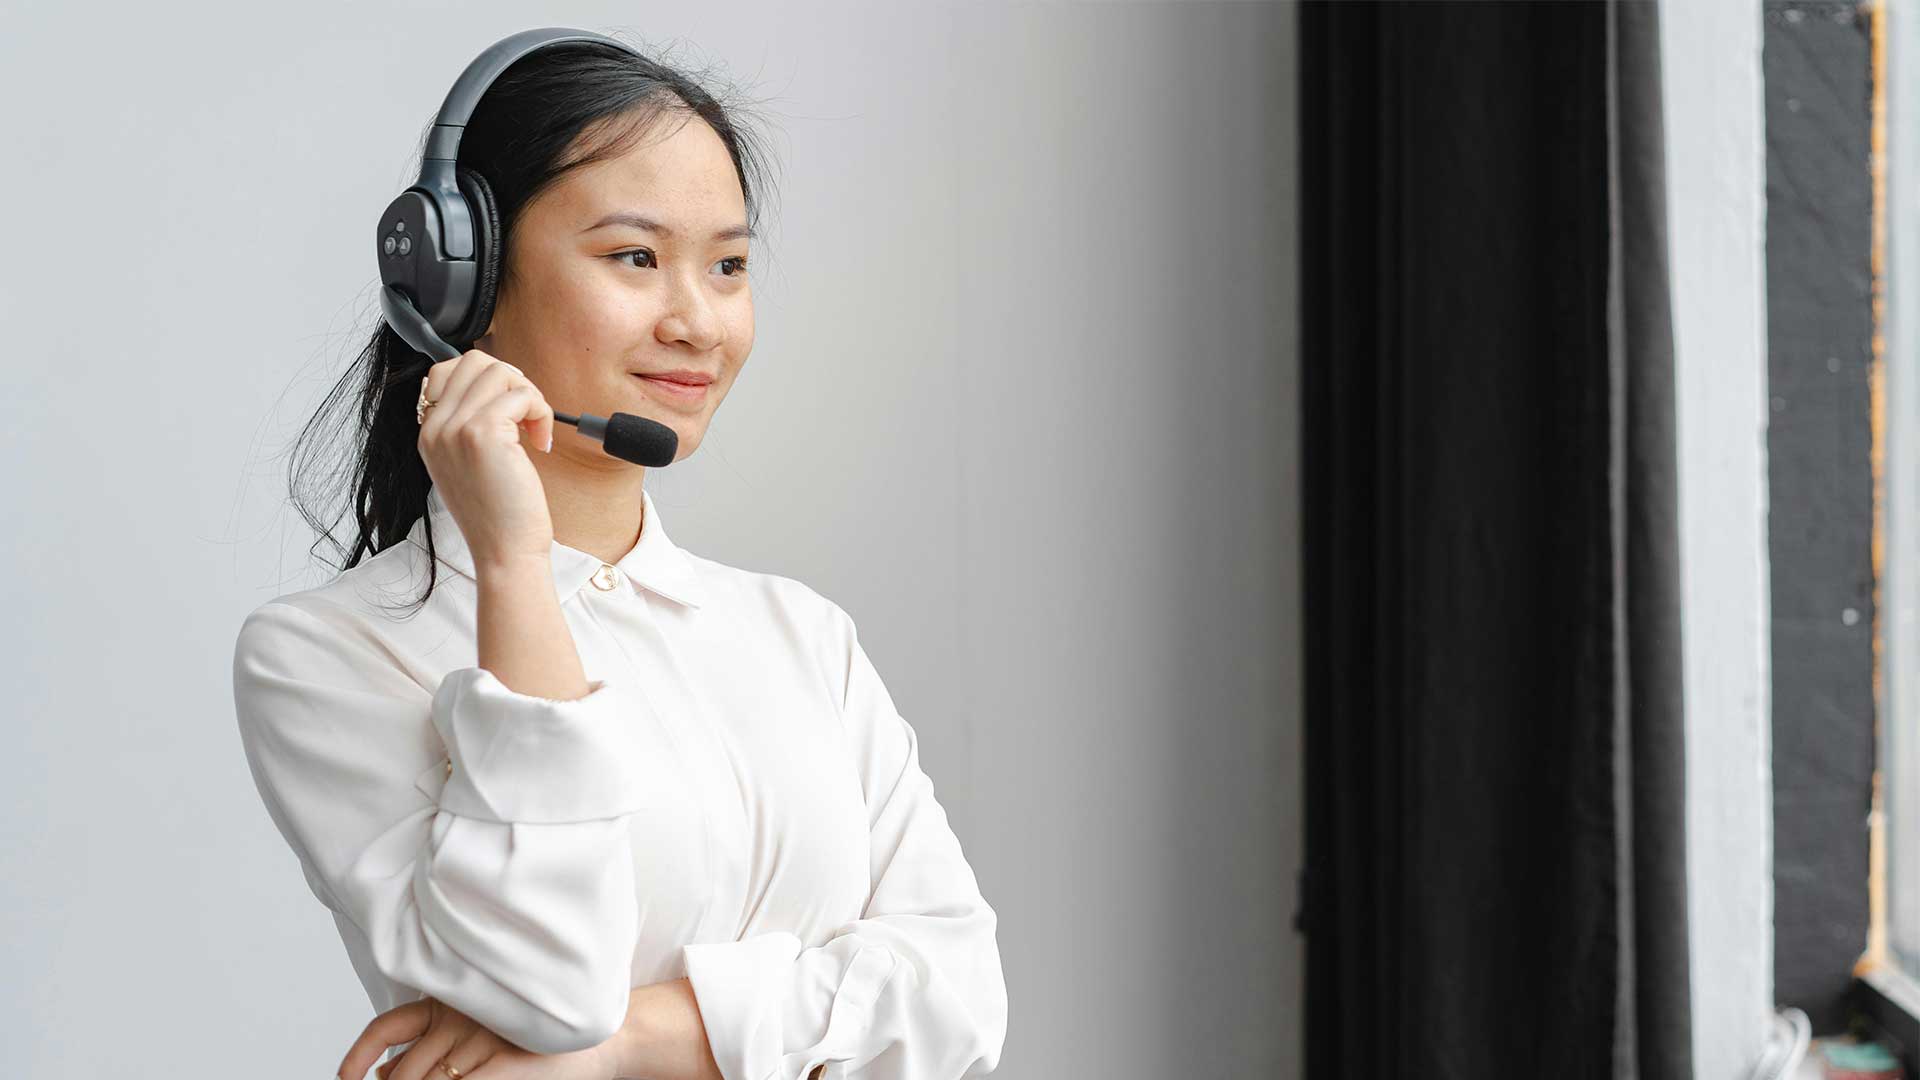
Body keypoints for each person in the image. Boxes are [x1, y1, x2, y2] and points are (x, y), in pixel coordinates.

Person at [231, 36, 1006, 1080]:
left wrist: (623, 1046)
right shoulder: (326, 655)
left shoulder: (800, 635)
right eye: (635, 257)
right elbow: (541, 987)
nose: (697, 321)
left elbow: (957, 999)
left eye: (728, 266)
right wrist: (511, 564)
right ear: (468, 284)